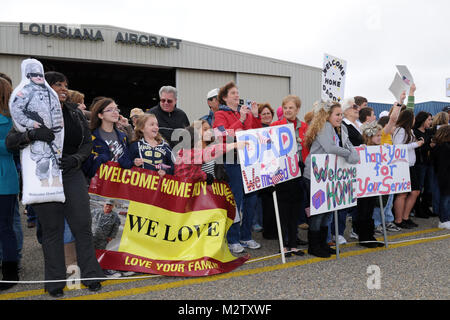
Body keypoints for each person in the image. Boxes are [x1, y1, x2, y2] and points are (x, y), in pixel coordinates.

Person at [6, 71, 104, 297]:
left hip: (71, 173)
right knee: (52, 230)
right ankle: (55, 282)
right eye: (57, 85)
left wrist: (76, 159)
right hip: (43, 177)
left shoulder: (75, 114)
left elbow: (87, 145)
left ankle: (91, 275)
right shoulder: (30, 112)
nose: (63, 89)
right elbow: (11, 142)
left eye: (65, 85)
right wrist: (32, 134)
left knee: (82, 227)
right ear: (45, 88)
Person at [303, 101, 359, 258]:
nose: (340, 117)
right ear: (328, 115)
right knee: (318, 213)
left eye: (341, 114)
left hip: (326, 176)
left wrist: (351, 152)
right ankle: (314, 246)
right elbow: (330, 148)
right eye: (337, 114)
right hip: (315, 176)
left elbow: (343, 147)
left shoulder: (337, 129)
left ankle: (322, 244)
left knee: (327, 212)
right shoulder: (325, 127)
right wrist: (348, 154)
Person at [213, 81, 262, 253]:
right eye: (233, 93)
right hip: (232, 160)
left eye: (237, 92)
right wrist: (240, 119)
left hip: (249, 161)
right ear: (225, 98)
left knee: (251, 200)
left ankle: (246, 235)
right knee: (236, 199)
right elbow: (222, 137)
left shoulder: (245, 113)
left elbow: (256, 135)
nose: (237, 95)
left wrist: (254, 116)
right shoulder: (220, 114)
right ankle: (232, 238)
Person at [269, 95, 307, 257]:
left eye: (291, 108)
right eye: (285, 108)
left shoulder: (304, 127)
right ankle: (283, 244)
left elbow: (309, 147)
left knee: (295, 210)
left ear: (297, 109)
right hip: (281, 172)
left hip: (298, 170)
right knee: (283, 210)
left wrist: (302, 141)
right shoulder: (276, 125)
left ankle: (293, 244)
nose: (288, 110)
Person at [174, 120, 246, 183]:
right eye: (205, 129)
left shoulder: (213, 145)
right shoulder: (189, 152)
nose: (209, 132)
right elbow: (211, 152)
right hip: (193, 192)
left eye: (209, 129)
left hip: (212, 192)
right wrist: (205, 176)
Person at [0, 77, 20, 291]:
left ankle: (10, 271)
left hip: (4, 179)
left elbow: (12, 147)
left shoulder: (10, 118)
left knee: (5, 228)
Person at [82, 97, 133, 179]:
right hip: (96, 184)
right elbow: (84, 167)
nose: (115, 112)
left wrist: (129, 162)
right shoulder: (91, 136)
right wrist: (96, 160)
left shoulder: (123, 136)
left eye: (116, 109)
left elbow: (129, 158)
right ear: (100, 115)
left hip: (118, 182)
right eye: (110, 110)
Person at [392, 110, 424, 229]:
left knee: (415, 192)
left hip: (410, 165)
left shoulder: (408, 130)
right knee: (402, 194)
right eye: (413, 118)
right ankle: (399, 219)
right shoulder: (400, 130)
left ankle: (405, 217)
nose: (415, 120)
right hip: (402, 165)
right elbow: (398, 148)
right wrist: (416, 144)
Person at [356, 121, 385, 248]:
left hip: (373, 185)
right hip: (363, 185)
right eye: (377, 135)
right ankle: (363, 237)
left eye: (380, 135)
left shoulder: (379, 149)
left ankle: (370, 235)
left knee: (370, 210)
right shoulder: (362, 148)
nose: (379, 137)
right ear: (369, 136)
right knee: (363, 210)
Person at [412, 111, 433, 218]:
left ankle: (425, 207)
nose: (430, 121)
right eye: (429, 119)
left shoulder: (429, 132)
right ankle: (417, 209)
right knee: (418, 188)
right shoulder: (415, 132)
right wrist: (429, 146)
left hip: (429, 163)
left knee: (429, 187)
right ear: (422, 120)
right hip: (420, 163)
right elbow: (417, 148)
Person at [430, 125, 450, 229]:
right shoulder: (443, 147)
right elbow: (442, 165)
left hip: (444, 175)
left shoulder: (441, 146)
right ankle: (444, 219)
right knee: (445, 199)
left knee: (446, 199)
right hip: (445, 177)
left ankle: (446, 218)